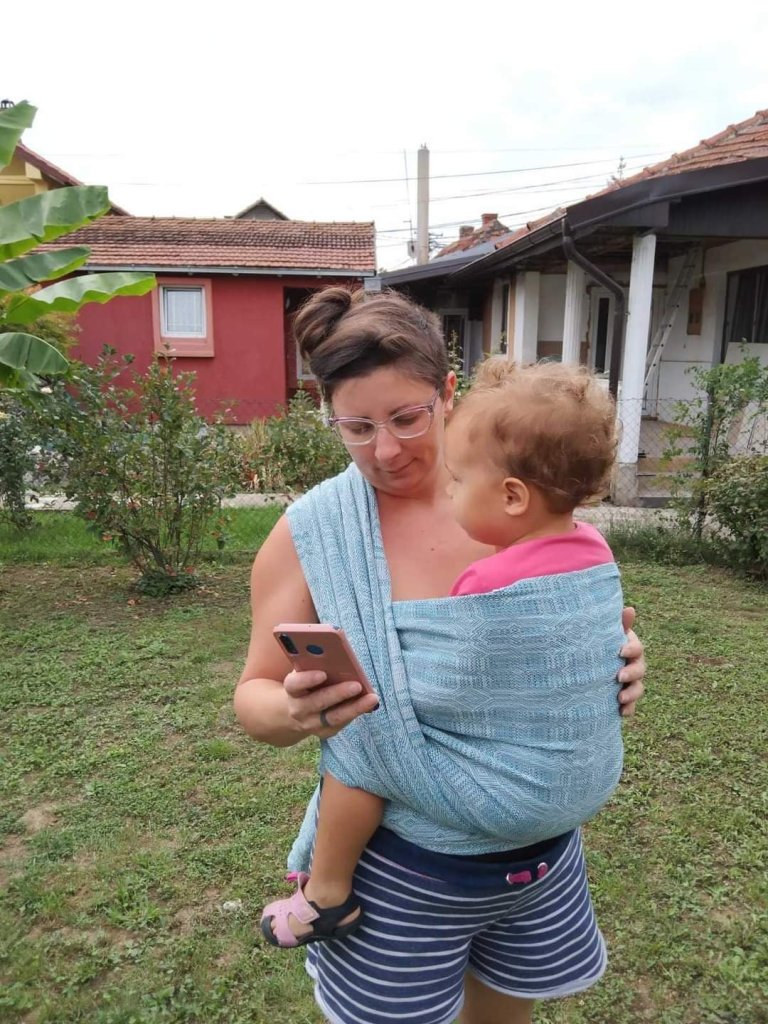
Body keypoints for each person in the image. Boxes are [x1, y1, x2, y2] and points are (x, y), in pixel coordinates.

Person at [234, 287, 646, 1024]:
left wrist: (613, 664)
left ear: (448, 391)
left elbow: (561, 624)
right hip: (402, 875)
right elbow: (253, 698)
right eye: (356, 427)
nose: (386, 451)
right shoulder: (312, 533)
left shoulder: (521, 502)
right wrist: (293, 709)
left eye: (406, 418)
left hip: (540, 861)